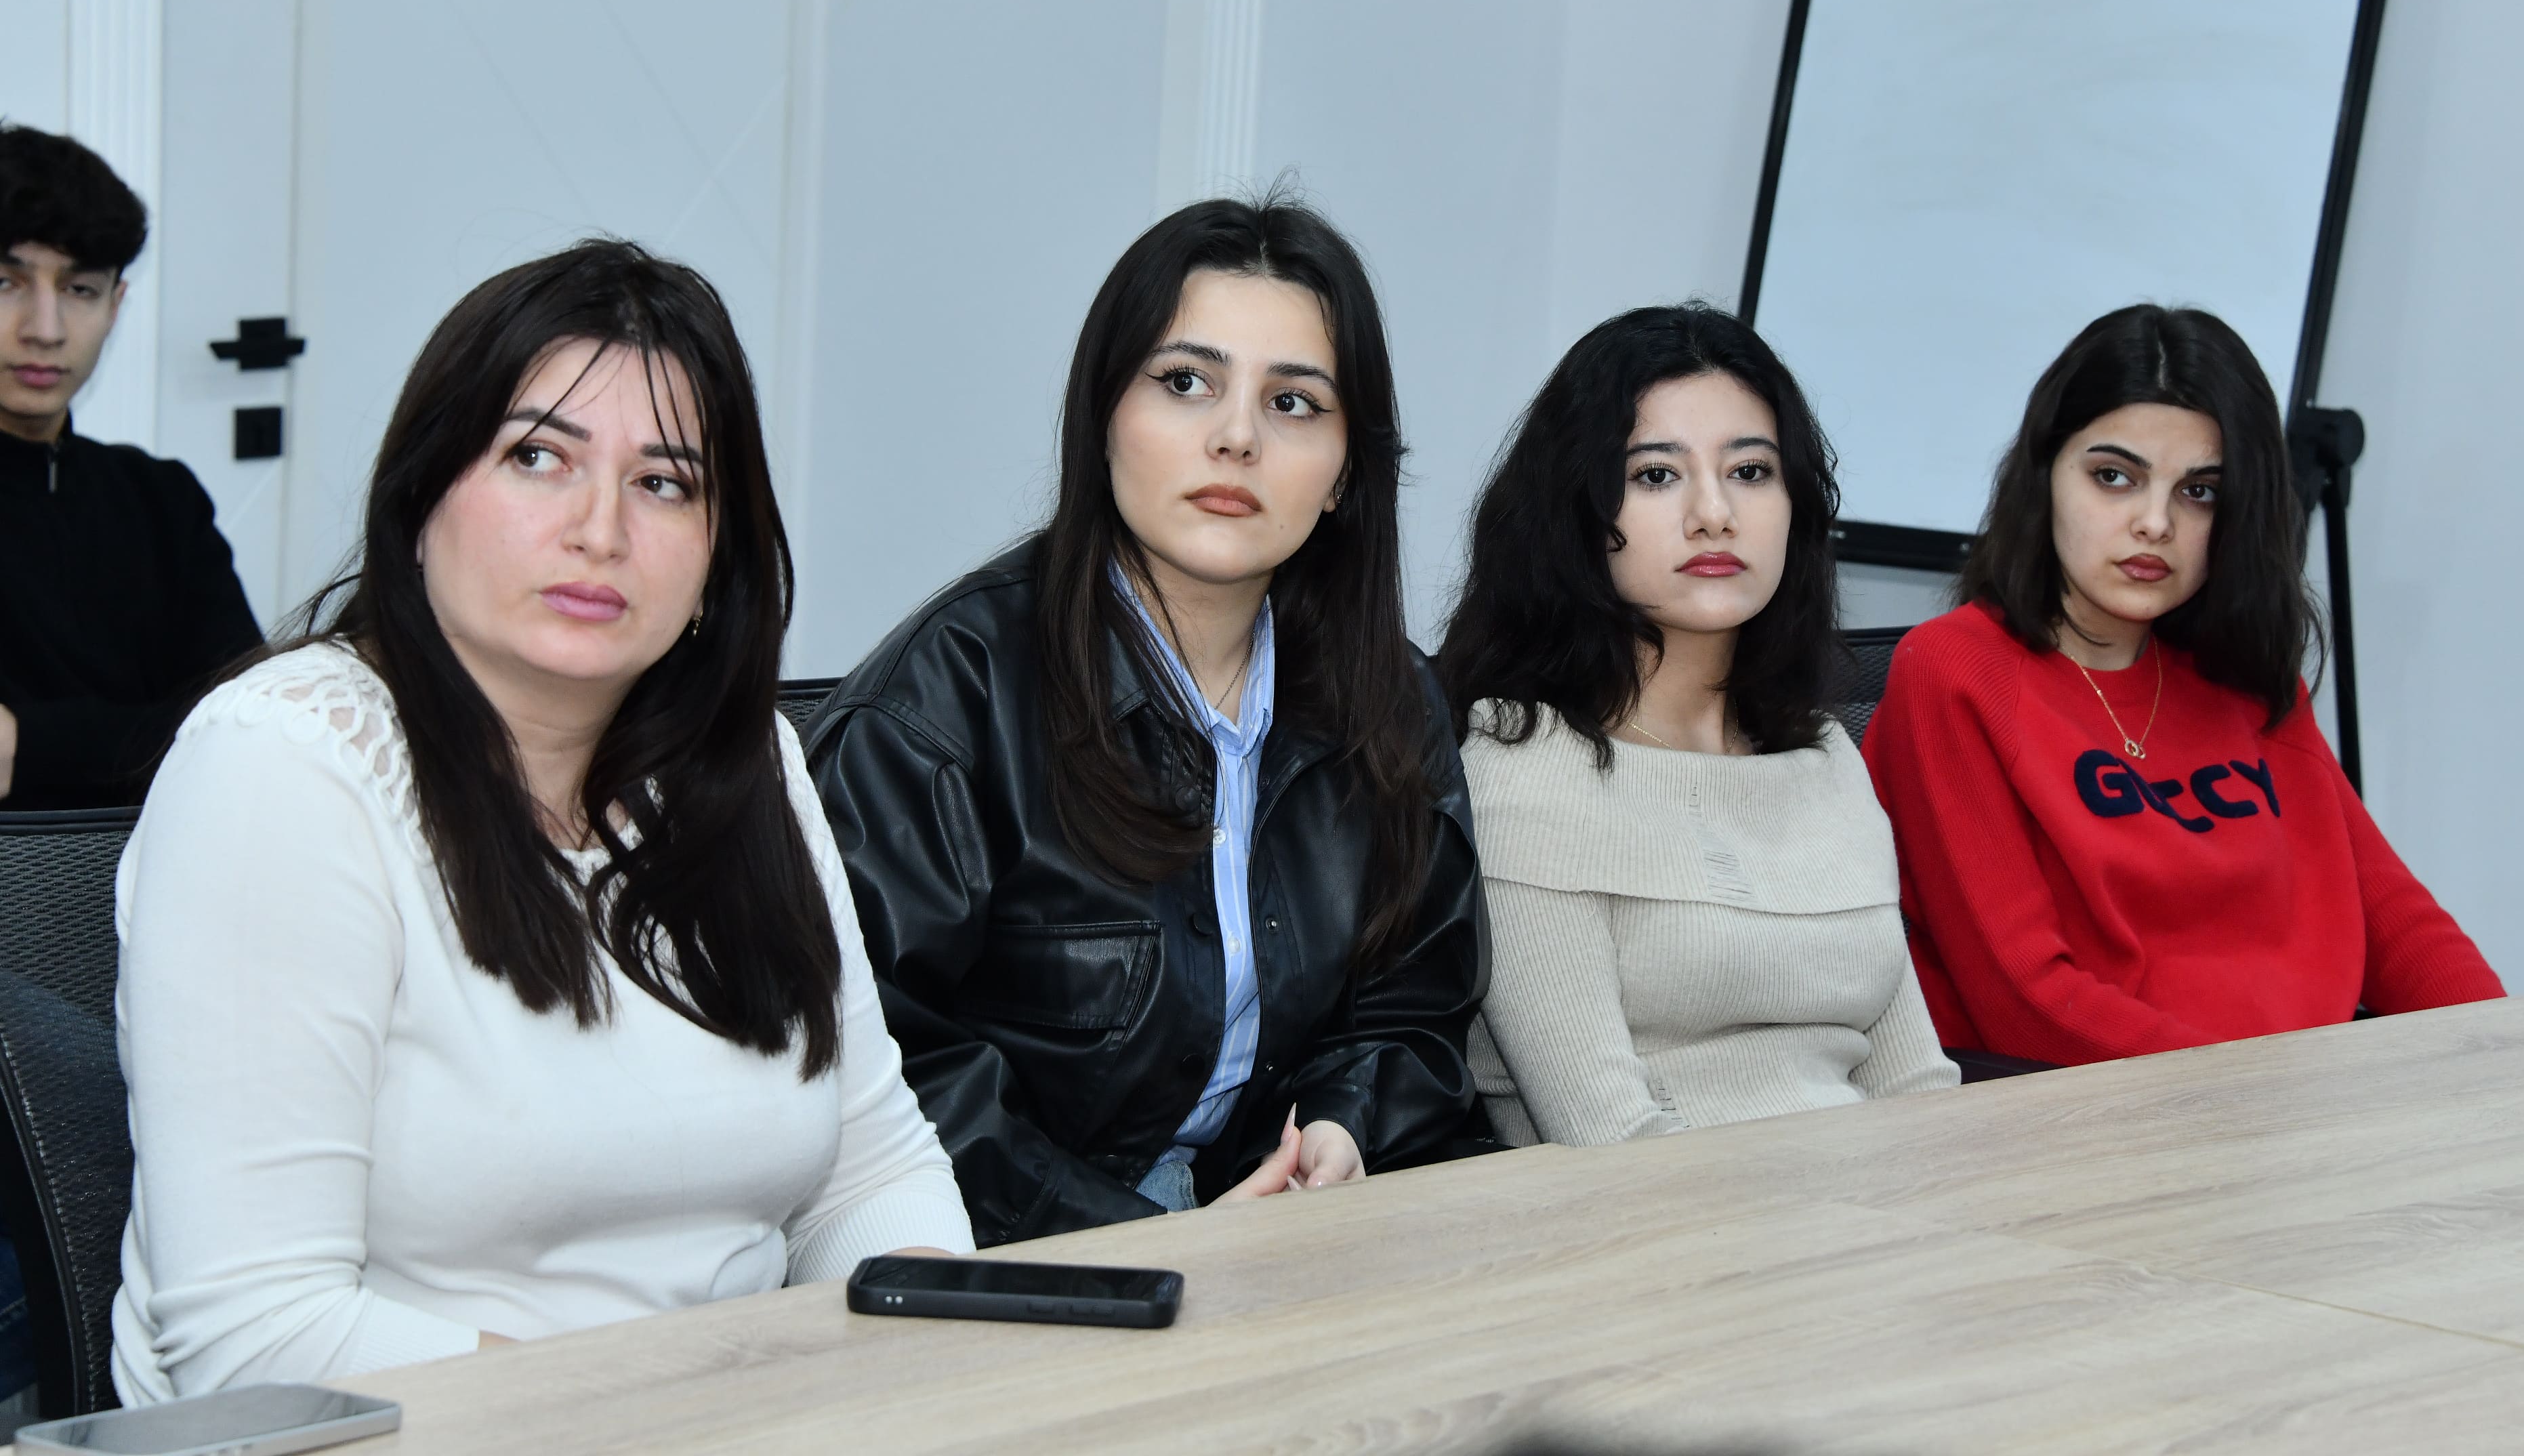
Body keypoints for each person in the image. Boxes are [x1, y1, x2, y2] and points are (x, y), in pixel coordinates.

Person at [112, 241, 970, 1404]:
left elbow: (867, 1171)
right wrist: (675, 1412)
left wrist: (932, 1362)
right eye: (537, 458)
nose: (599, 529)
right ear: (421, 501)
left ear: (717, 555)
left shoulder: (744, 758)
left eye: (664, 483)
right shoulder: (280, 765)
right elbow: (256, 1334)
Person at [808, 193, 1487, 1244]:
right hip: (1013, 1249)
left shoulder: (1388, 699)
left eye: (1294, 403)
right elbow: (875, 1072)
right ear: (1103, 418)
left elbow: (1416, 1006)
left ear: (1346, 472)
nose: (1236, 438)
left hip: (1278, 1236)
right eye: (1185, 383)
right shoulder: (943, 703)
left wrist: (1343, 1127)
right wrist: (1145, 1241)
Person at [1863, 304, 2502, 1068]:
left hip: (2305, 1091)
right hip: (2121, 1109)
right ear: (2045, 475)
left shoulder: (2241, 674)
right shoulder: (1954, 672)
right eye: (2114, 477)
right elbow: (2024, 999)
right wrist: (2262, 1096)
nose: (2155, 523)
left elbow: (2393, 919)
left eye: (2199, 491)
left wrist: (2508, 1053)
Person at [1436, 305, 1956, 1146]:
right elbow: (1610, 1139)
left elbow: (1917, 1088)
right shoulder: (1522, 767)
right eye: (1655, 475)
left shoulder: (1826, 755)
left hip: (1880, 1202)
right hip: (1665, 1215)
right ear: (1576, 511)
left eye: (1750, 471)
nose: (1714, 512)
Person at [0, 124, 260, 809]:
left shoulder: (160, 500)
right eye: (7, 283)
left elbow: (245, 723)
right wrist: (150, 734)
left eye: (81, 289)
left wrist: (28, 744)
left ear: (116, 305)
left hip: (160, 865)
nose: (46, 329)